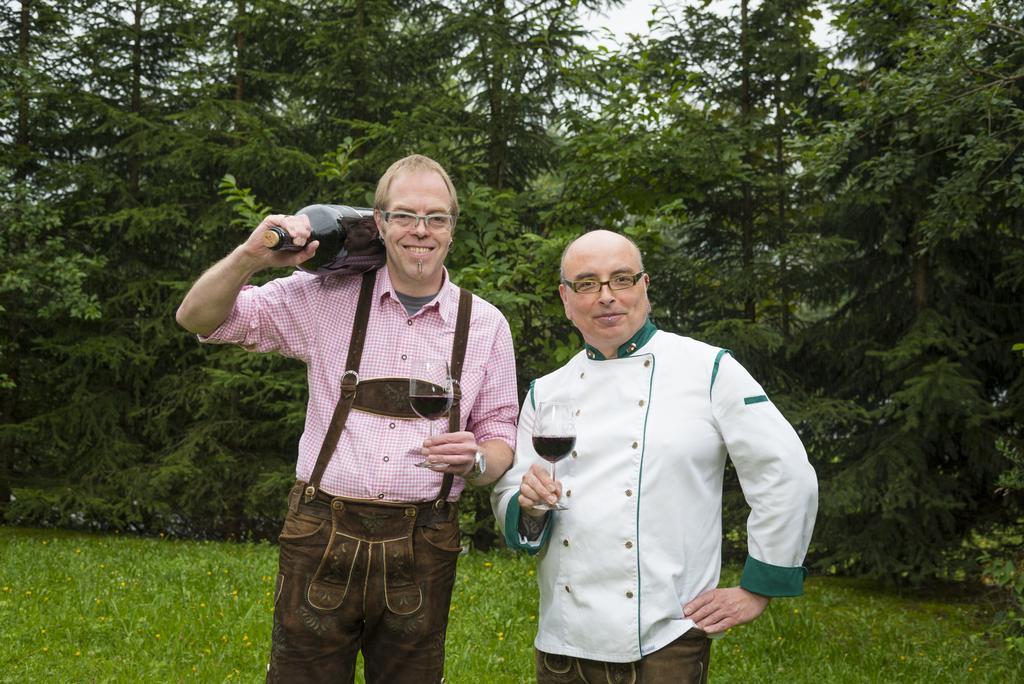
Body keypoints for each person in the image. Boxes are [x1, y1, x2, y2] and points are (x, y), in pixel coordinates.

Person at [176, 154, 518, 683]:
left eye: (436, 218)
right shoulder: (322, 297)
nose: (420, 231)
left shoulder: (485, 324)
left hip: (424, 541)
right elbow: (198, 318)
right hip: (320, 530)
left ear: (452, 229)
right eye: (405, 216)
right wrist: (250, 256)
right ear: (377, 223)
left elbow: (500, 435)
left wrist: (476, 460)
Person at [491, 230, 817, 683]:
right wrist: (526, 506)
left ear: (645, 286)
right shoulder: (547, 391)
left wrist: (759, 586)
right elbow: (513, 488)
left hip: (667, 636)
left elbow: (785, 472)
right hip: (564, 637)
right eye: (587, 283)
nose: (607, 297)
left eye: (621, 279)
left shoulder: (708, 370)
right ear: (566, 299)